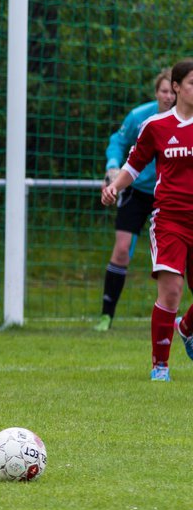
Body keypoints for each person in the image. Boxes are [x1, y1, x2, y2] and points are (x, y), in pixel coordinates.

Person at [101, 58, 193, 381]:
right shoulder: (155, 126)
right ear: (178, 87)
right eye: (192, 83)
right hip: (170, 218)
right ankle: (160, 366)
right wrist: (114, 185)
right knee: (172, 290)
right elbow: (134, 165)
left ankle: (185, 327)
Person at [95, 69, 176, 331]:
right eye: (163, 91)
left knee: (176, 260)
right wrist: (112, 169)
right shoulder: (140, 117)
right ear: (156, 92)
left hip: (171, 196)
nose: (168, 96)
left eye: (172, 92)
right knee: (121, 250)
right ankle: (106, 316)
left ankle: (178, 319)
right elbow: (117, 144)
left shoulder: (185, 121)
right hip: (137, 193)